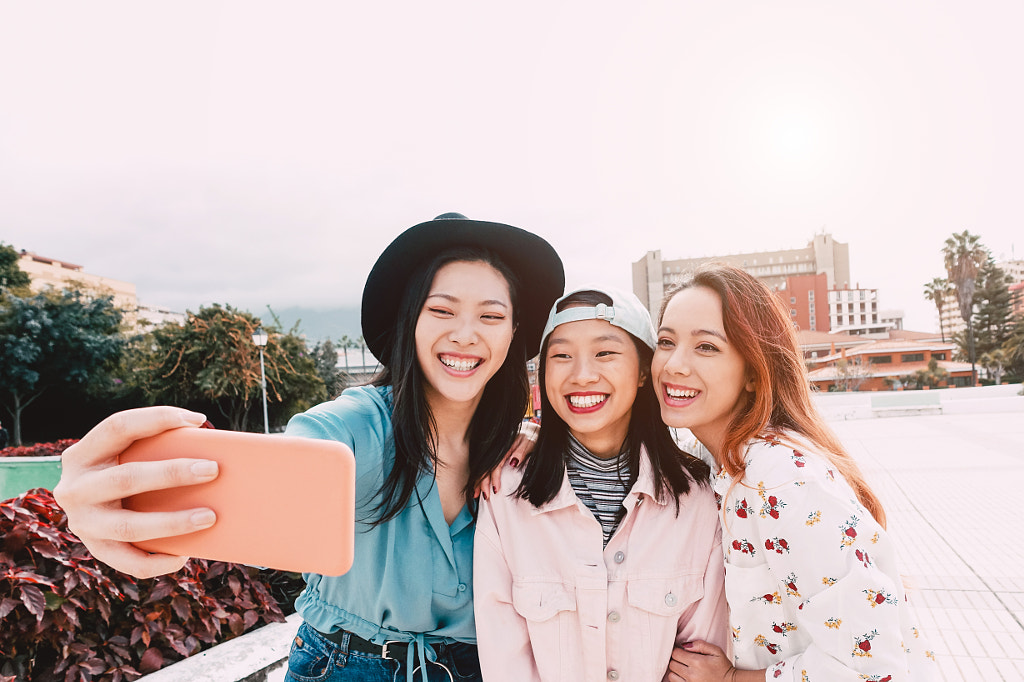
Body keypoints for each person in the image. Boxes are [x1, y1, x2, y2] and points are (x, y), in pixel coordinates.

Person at [53, 213, 565, 682]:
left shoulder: (516, 446)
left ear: (515, 332)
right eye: (441, 310)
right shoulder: (358, 423)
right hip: (349, 666)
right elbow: (265, 474)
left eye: (491, 317)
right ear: (411, 321)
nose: (465, 334)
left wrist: (535, 444)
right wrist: (118, 503)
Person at [654, 264, 936, 682]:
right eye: (665, 341)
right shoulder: (721, 464)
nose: (674, 365)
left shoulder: (781, 477)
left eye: (706, 347)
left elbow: (873, 668)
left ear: (753, 371)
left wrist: (731, 680)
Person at [474, 286, 729, 682]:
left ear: (645, 370)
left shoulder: (697, 497)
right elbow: (504, 658)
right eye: (560, 356)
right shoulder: (504, 493)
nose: (582, 375)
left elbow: (700, 657)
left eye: (604, 353)